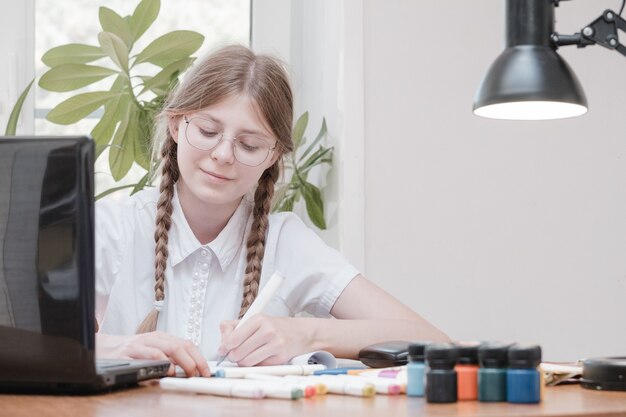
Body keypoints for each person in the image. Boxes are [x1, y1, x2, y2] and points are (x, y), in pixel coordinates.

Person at [95, 44, 449, 377]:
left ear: (273, 155)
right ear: (175, 125)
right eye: (207, 130)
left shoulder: (284, 242)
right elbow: (37, 342)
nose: (223, 155)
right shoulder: (113, 229)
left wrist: (304, 334)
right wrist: (118, 347)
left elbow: (433, 341)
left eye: (249, 145)